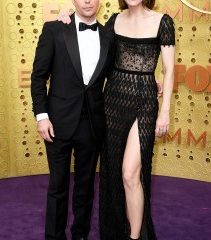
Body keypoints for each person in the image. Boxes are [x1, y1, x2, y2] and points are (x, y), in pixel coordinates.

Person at [58, 0, 175, 239]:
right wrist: (67, 16)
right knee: (113, 172)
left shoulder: (162, 22)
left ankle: (134, 236)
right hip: (112, 101)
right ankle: (118, 228)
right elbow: (101, 58)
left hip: (144, 103)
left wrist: (165, 112)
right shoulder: (114, 20)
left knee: (130, 173)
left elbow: (169, 69)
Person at [30, 0, 115, 239]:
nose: (87, 0)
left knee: (85, 186)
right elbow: (38, 77)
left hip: (92, 123)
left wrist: (151, 81)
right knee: (58, 187)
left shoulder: (109, 36)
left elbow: (118, 74)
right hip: (56, 123)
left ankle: (80, 234)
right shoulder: (55, 29)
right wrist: (42, 116)